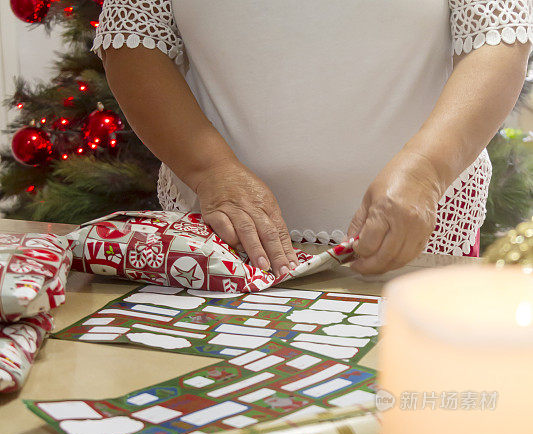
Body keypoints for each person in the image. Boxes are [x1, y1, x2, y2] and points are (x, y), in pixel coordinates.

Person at [94, 1, 532, 277]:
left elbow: (497, 39)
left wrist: (426, 172)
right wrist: (212, 171)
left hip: (419, 236)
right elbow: (135, 41)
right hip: (222, 242)